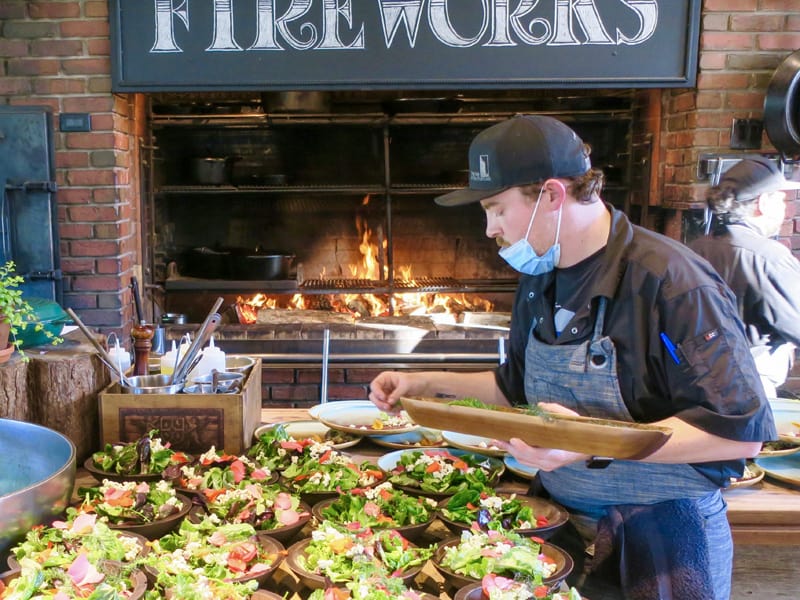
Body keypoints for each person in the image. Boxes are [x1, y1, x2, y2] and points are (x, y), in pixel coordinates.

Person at [368, 115, 776, 599]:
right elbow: (512, 389)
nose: (489, 228)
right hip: (558, 530)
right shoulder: (540, 276)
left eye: (497, 209)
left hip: (663, 542)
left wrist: (588, 442)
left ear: (553, 195)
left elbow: (739, 436)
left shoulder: (672, 283)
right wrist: (423, 384)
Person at [689, 157, 800, 398]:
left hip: (692, 384)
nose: (785, 207)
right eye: (780, 198)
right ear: (763, 202)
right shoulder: (769, 258)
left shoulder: (694, 250)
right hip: (748, 390)